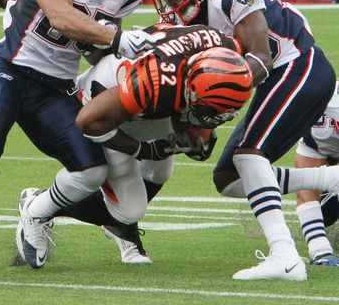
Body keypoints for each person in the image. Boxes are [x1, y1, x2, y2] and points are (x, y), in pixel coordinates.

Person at [147, 0, 338, 280]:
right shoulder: (184, 31)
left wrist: (214, 101)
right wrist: (194, 119)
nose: (173, 6)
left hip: (299, 65)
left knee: (250, 156)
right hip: (275, 80)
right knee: (229, 177)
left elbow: (261, 58)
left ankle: (285, 257)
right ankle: (330, 179)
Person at [0, 0, 158, 270]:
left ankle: (35, 212)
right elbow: (60, 14)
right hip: (9, 70)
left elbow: (90, 46)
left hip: (55, 88)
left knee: (92, 170)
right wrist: (114, 38)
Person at [18, 23, 254, 268]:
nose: (210, 119)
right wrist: (141, 149)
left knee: (159, 171)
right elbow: (88, 122)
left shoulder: (226, 51)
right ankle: (39, 206)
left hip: (153, 100)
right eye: (207, 109)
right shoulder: (154, 83)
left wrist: (199, 130)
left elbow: (205, 103)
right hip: (105, 103)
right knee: (128, 210)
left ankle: (120, 229)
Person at [295, 83, 339, 267]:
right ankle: (320, 251)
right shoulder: (319, 121)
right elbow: (305, 187)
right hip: (318, 137)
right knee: (306, 187)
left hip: (324, 131)